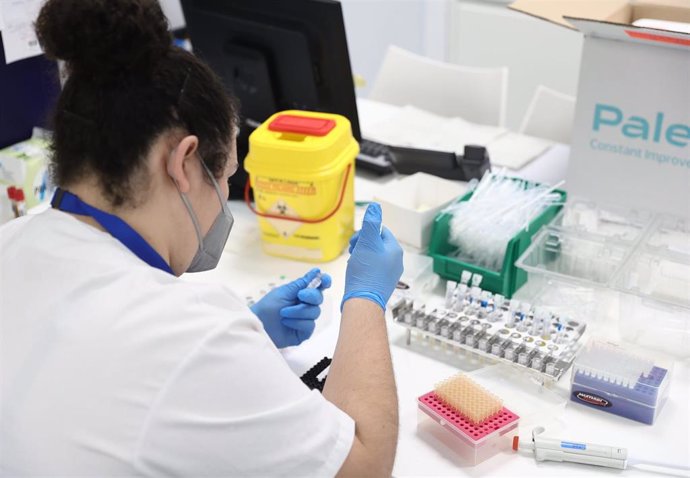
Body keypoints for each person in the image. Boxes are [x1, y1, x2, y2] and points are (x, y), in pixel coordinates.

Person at [0, 1, 404, 476]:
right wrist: (366, 297)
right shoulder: (192, 336)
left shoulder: (13, 241)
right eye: (229, 177)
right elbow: (364, 462)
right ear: (183, 162)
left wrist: (246, 341)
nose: (225, 198)